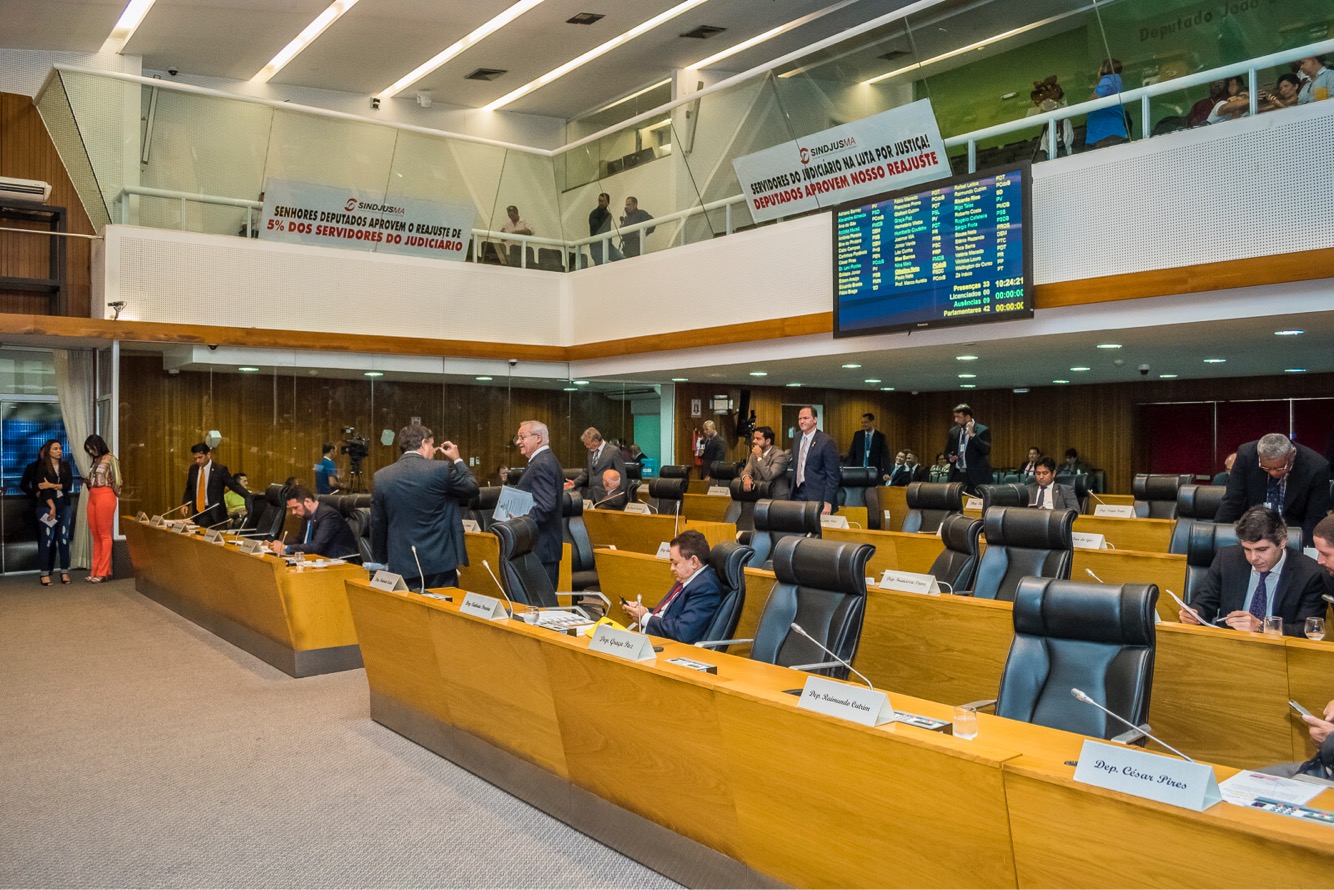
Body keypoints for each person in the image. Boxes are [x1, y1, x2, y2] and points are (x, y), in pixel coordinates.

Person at [1178, 506, 1326, 637]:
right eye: (1247, 549)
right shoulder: (1227, 559)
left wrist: (1262, 627)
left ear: (1282, 542)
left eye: (1262, 549)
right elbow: (1204, 603)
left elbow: (1307, 631)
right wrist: (1194, 613)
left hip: (1280, 654)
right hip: (1229, 647)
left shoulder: (1310, 574)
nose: (1253, 558)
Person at [370, 423, 477, 590]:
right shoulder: (441, 469)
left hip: (402, 564)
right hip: (440, 562)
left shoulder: (382, 477)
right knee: (442, 612)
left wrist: (381, 559)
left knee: (409, 614)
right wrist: (457, 459)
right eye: (432, 445)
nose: (434, 450)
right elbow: (472, 487)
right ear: (423, 443)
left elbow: (377, 524)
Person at [1215, 433, 1330, 546]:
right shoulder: (1246, 456)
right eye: (1266, 468)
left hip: (1293, 536)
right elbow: (1232, 500)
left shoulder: (1317, 467)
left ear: (1291, 455)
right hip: (1253, 533)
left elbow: (1314, 517)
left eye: (1280, 468)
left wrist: (1306, 550)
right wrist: (1217, 538)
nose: (1273, 472)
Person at [620, 530, 721, 644]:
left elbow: (682, 632)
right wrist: (643, 611)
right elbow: (668, 613)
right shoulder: (688, 577)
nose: (671, 568)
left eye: (675, 563)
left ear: (693, 561)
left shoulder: (706, 587)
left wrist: (644, 617)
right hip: (653, 640)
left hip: (668, 648)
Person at [514, 420, 563, 587]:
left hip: (542, 548)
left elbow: (545, 506)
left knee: (541, 606)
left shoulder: (542, 463)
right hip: (540, 548)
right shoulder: (542, 460)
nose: (518, 442)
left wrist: (520, 522)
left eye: (522, 437)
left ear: (539, 438)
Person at [22, 439, 73, 586]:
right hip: (46, 506)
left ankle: (64, 571)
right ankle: (44, 573)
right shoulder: (42, 467)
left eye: (60, 448)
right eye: (55, 449)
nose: (59, 451)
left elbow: (68, 486)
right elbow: (42, 489)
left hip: (64, 505)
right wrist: (52, 505)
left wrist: (51, 485)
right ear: (48, 451)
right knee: (47, 538)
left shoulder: (66, 466)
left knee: (63, 538)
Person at [268, 485, 358, 561]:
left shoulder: (329, 516)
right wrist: (275, 545)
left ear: (307, 502)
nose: (293, 512)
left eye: (295, 507)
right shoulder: (306, 515)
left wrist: (285, 548)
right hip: (317, 561)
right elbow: (299, 541)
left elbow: (316, 547)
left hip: (339, 563)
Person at [81, 435, 122, 583]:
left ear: (98, 445)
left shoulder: (110, 458)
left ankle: (103, 571)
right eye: (88, 450)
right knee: (96, 535)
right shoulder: (95, 461)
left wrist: (115, 493)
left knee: (104, 534)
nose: (91, 452)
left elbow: (118, 479)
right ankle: (95, 570)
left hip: (105, 494)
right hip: (93, 494)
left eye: (92, 448)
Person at [181, 442, 251, 529]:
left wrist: (249, 497)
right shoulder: (193, 469)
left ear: (208, 455)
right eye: (195, 458)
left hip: (215, 512)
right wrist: (185, 504)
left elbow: (233, 485)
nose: (197, 461)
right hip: (198, 512)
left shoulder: (220, 470)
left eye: (200, 457)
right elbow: (189, 488)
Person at [792, 406, 840, 514]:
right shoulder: (797, 437)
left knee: (816, 530)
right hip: (798, 493)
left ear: (815, 420)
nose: (802, 421)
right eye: (800, 419)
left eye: (805, 418)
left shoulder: (826, 441)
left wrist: (828, 502)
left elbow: (833, 475)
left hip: (818, 496)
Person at [566, 427, 626, 499]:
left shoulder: (613, 451)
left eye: (587, 444)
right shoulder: (590, 452)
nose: (586, 447)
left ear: (596, 441)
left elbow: (621, 474)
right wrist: (575, 482)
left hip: (607, 496)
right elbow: (587, 472)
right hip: (591, 495)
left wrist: (620, 496)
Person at [945, 403, 991, 495]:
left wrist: (973, 436)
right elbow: (946, 452)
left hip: (975, 476)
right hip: (957, 475)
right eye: (955, 417)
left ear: (967, 417)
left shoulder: (982, 430)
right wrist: (950, 457)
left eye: (958, 417)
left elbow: (986, 450)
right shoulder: (953, 431)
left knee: (974, 505)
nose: (955, 420)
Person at [1085, 57, 1128, 149]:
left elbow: (1095, 99)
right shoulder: (1114, 80)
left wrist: (1082, 105)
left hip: (1106, 136)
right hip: (1103, 135)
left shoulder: (1109, 78)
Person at [740, 426, 790, 499]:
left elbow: (769, 476)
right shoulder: (754, 454)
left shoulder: (780, 455)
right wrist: (746, 478)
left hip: (777, 497)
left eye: (758, 439)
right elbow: (746, 471)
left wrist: (760, 458)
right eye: (754, 438)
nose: (754, 441)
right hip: (761, 494)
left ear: (768, 441)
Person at [845, 412, 888, 479]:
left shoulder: (880, 437)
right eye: (862, 422)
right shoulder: (858, 435)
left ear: (872, 422)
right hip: (859, 471)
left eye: (866, 422)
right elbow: (852, 454)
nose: (863, 424)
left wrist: (886, 472)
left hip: (874, 471)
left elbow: (885, 456)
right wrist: (848, 470)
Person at [587, 192, 621, 265]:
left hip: (608, 246)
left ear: (608, 202)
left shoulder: (607, 215)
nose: (601, 203)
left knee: (623, 260)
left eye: (603, 201)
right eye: (600, 201)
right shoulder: (594, 214)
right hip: (597, 247)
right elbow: (597, 230)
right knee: (601, 268)